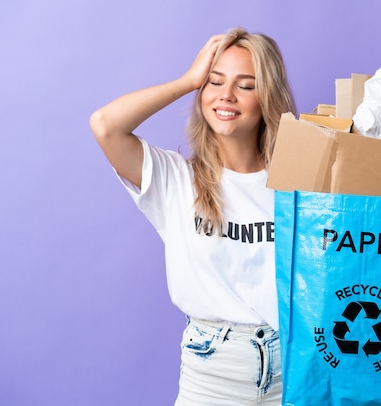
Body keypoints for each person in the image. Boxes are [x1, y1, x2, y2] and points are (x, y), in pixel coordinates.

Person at [90, 27, 296, 405]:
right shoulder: (176, 180)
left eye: (246, 85)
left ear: (268, 97)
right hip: (213, 373)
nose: (226, 95)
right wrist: (188, 80)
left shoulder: (299, 183)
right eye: (214, 82)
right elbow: (106, 125)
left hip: (295, 369)